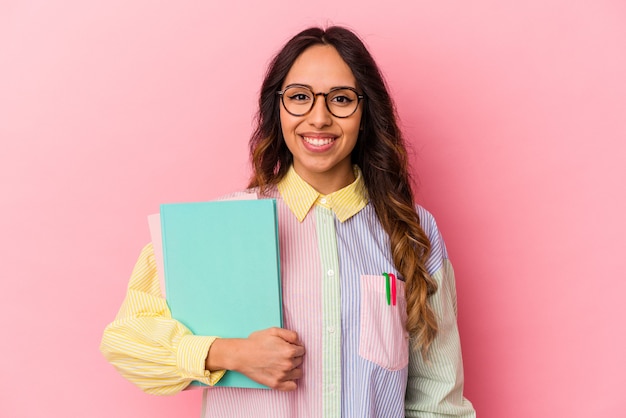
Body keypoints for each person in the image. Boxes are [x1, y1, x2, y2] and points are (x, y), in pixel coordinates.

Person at [101, 26, 476, 417]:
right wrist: (229, 353)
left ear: (365, 112)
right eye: (299, 97)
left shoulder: (413, 230)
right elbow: (127, 339)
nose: (319, 118)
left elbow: (437, 400)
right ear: (277, 109)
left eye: (341, 99)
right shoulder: (219, 224)